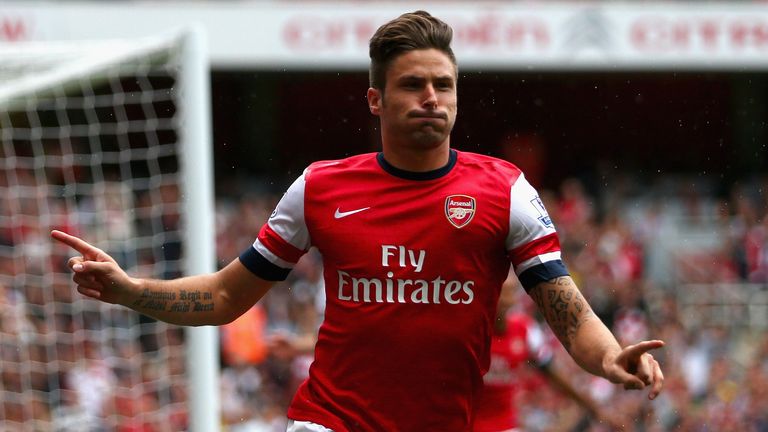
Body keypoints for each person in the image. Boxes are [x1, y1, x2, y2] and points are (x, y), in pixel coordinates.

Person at [51, 10, 664, 432]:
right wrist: (132, 291)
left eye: (444, 85)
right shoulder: (320, 188)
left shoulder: (506, 191)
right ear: (376, 99)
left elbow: (567, 309)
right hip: (329, 420)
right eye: (414, 84)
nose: (432, 97)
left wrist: (607, 358)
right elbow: (223, 295)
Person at [474, 274, 630, 432]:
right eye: (502, 293)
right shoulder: (471, 333)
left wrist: (595, 410)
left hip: (504, 425)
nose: (507, 300)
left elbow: (555, 375)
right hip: (466, 422)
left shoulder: (525, 331)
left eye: (511, 293)